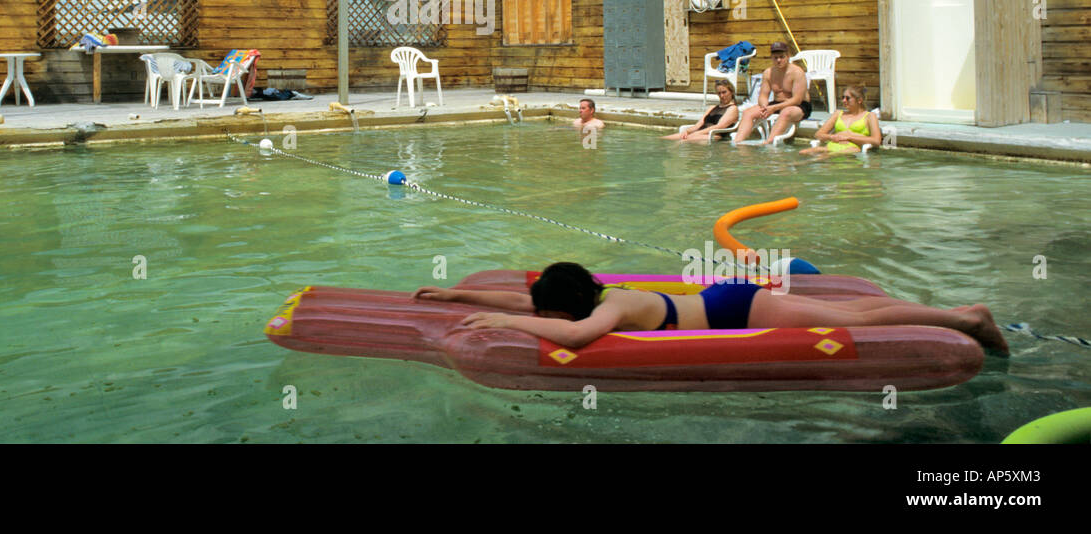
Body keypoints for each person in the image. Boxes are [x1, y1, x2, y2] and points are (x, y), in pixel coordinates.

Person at [414, 262, 1009, 355]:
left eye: (541, 313)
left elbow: (574, 339)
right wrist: (457, 294)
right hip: (724, 298)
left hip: (738, 311)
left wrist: (504, 324)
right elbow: (526, 298)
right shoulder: (595, 296)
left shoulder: (612, 309)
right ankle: (956, 309)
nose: (533, 315)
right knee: (855, 308)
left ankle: (966, 319)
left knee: (855, 321)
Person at [733, 41, 810, 143]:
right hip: (776, 104)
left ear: (788, 56)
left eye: (781, 57)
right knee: (748, 113)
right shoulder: (768, 73)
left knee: (786, 112)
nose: (778, 60)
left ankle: (769, 142)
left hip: (799, 106)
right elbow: (763, 96)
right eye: (775, 57)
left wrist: (772, 108)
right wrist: (765, 106)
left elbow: (797, 99)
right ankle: (737, 143)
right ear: (771, 58)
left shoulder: (797, 72)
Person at [800, 85, 882, 156]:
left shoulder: (870, 116)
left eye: (847, 98)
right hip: (832, 146)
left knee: (823, 157)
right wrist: (832, 137)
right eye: (843, 97)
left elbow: (876, 140)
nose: (843, 101)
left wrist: (849, 138)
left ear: (859, 100)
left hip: (852, 149)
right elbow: (818, 134)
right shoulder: (838, 113)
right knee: (803, 152)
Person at [663, 79, 738, 140]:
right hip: (701, 133)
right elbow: (698, 125)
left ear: (731, 92)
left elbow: (719, 126)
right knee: (665, 139)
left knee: (683, 141)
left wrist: (697, 133)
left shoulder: (732, 108)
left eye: (724, 92)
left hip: (714, 136)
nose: (721, 96)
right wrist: (687, 131)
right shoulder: (712, 107)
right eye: (719, 93)